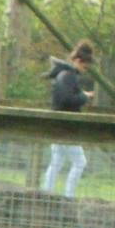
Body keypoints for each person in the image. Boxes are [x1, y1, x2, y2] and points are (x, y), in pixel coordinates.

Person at [41, 42, 95, 198]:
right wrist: (84, 97)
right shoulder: (68, 75)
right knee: (80, 162)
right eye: (85, 65)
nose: (86, 69)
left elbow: (67, 94)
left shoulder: (64, 74)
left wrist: (81, 93)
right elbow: (67, 99)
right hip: (65, 128)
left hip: (58, 126)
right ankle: (69, 195)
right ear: (78, 61)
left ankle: (47, 192)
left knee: (56, 161)